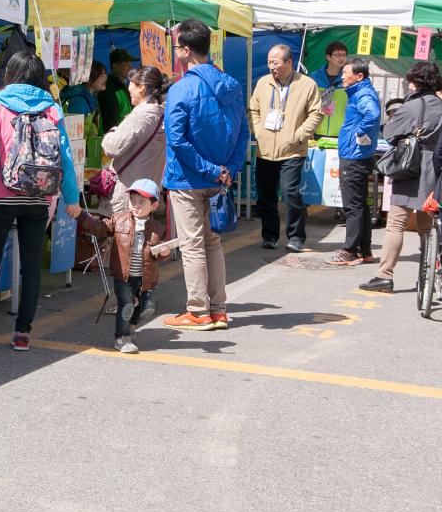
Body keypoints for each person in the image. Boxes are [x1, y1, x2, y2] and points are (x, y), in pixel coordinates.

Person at [0, 51, 81, 350]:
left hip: (0, 194)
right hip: (38, 195)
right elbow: (64, 156)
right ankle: (22, 334)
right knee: (31, 266)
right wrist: (72, 197)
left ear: (10, 73)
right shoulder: (52, 108)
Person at [161, 20, 248, 331]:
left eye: (176, 48)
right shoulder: (232, 85)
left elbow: (176, 139)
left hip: (188, 178)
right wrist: (229, 170)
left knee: (194, 244)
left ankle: (198, 310)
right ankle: (218, 309)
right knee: (212, 243)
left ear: (186, 51)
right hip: (218, 177)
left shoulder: (182, 88)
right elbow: (243, 134)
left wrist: (212, 170)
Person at [359, 61, 442, 291]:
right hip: (435, 169)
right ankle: (427, 276)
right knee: (427, 226)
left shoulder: (412, 106)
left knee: (396, 223)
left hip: (411, 167)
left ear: (415, 82)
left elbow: (390, 132)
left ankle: (385, 275)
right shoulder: (440, 105)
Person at [76, 179, 174, 353]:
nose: (135, 205)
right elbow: (99, 228)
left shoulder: (158, 228)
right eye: (133, 201)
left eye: (141, 202)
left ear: (154, 205)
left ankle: (129, 324)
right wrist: (82, 215)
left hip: (147, 278)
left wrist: (164, 252)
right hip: (123, 275)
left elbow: (158, 253)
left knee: (148, 308)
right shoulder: (119, 219)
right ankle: (122, 337)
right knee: (126, 305)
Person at [248, 44, 322, 252]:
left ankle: (296, 237)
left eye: (276, 62)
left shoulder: (307, 84)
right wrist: (258, 130)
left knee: (290, 193)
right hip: (265, 149)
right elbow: (253, 109)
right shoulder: (263, 83)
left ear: (289, 62)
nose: (272, 66)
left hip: (292, 149)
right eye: (269, 62)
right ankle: (269, 235)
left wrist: (298, 135)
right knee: (265, 194)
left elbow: (316, 113)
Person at [326, 57, 382, 267]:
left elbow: (373, 114)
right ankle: (364, 250)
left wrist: (359, 132)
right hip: (356, 154)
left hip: (354, 156)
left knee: (353, 206)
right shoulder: (359, 92)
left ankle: (349, 250)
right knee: (360, 205)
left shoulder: (364, 93)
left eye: (345, 72)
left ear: (359, 76)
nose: (342, 75)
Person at [100, 66, 167, 216]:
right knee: (140, 235)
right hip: (148, 193)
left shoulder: (139, 117)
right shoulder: (162, 115)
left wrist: (111, 132)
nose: (128, 87)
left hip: (128, 193)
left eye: (130, 82)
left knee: (123, 236)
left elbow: (112, 148)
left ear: (141, 87)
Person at [98, 47, 138, 134]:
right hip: (114, 139)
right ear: (115, 65)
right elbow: (110, 123)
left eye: (131, 63)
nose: (130, 66)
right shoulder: (108, 88)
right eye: (126, 63)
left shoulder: (124, 85)